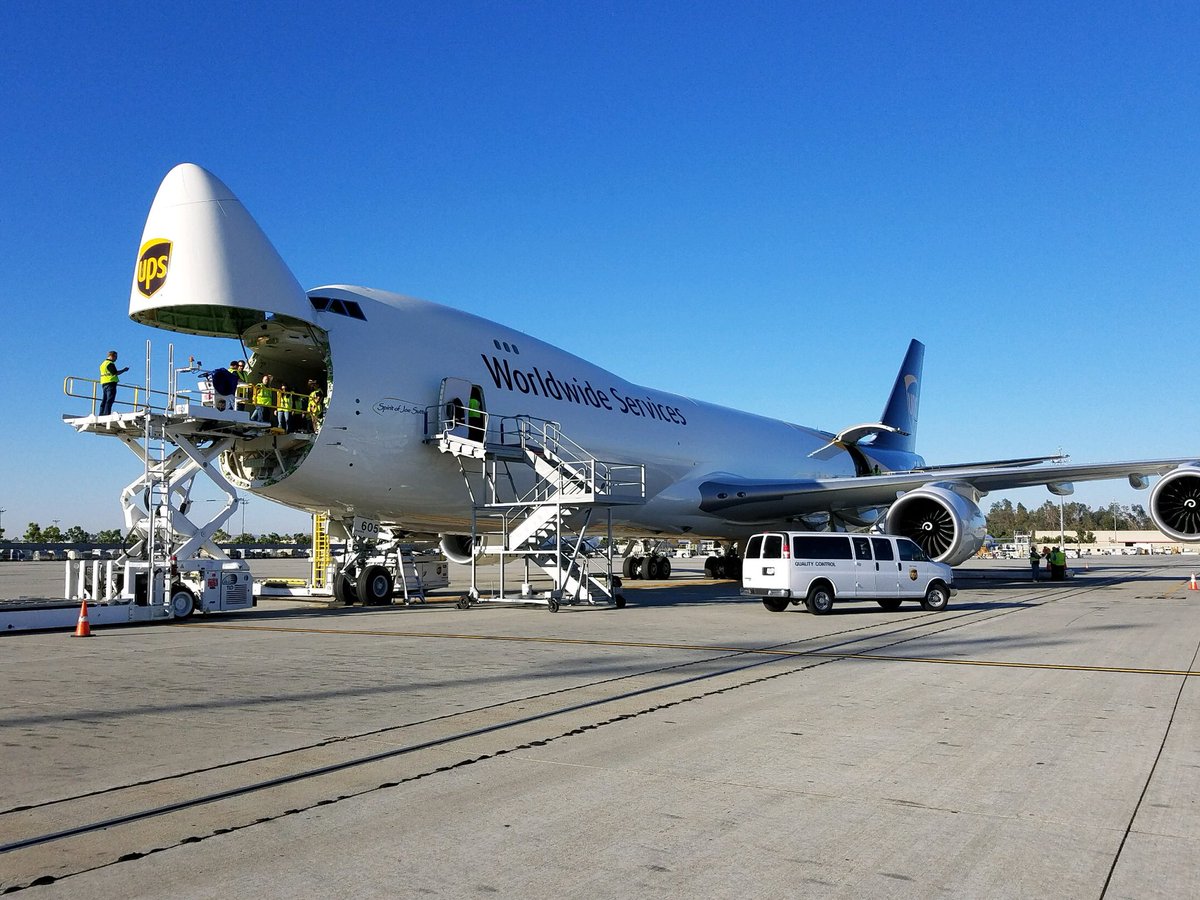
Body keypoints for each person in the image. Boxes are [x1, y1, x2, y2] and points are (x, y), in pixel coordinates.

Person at [98, 350, 129, 416]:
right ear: (112, 356)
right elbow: (115, 373)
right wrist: (124, 370)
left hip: (104, 383)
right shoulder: (110, 363)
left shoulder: (103, 364)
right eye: (116, 357)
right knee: (109, 399)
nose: (116, 359)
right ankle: (106, 414)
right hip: (111, 383)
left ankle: (101, 413)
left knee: (104, 399)